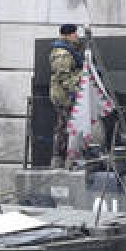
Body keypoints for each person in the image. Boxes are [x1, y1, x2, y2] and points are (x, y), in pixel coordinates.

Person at [48, 24, 85, 168]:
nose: (77, 36)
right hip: (64, 97)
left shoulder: (67, 51)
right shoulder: (62, 53)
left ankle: (62, 159)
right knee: (65, 127)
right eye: (75, 34)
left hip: (65, 95)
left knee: (64, 127)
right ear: (68, 35)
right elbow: (64, 78)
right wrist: (82, 75)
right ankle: (63, 160)